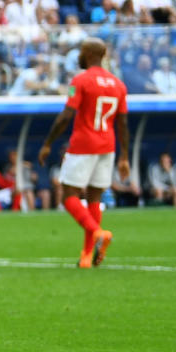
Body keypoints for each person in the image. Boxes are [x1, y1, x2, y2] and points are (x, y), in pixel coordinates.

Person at [38, 38, 129, 269]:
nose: (79, 54)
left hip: (83, 144)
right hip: (107, 146)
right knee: (94, 199)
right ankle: (87, 257)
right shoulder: (118, 84)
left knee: (68, 196)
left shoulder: (80, 80)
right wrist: (125, 156)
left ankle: (97, 232)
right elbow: (123, 123)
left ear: (88, 54)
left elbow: (67, 115)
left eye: (81, 51)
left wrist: (48, 142)